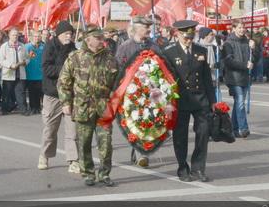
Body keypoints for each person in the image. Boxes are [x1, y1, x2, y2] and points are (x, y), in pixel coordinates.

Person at [58, 25, 119, 187]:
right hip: (83, 107)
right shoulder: (75, 57)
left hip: (103, 107)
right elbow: (64, 81)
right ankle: (88, 173)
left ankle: (104, 174)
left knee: (106, 143)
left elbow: (117, 83)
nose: (101, 41)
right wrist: (66, 102)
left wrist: (116, 101)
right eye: (97, 38)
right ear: (88, 39)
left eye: (102, 38)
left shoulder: (109, 58)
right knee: (84, 143)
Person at [164, 20, 215, 182]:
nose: (188, 40)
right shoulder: (169, 52)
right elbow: (164, 79)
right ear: (178, 34)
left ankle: (198, 168)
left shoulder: (201, 50)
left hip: (200, 99)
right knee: (180, 136)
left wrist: (213, 101)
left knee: (203, 133)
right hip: (180, 100)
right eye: (186, 37)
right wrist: (166, 102)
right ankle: (183, 167)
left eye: (191, 37)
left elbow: (207, 78)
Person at [114, 16, 163, 168]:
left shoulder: (154, 46)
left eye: (149, 27)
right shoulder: (125, 47)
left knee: (147, 121)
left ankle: (141, 152)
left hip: (150, 91)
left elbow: (162, 65)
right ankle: (140, 152)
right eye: (145, 27)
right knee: (135, 120)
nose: (149, 30)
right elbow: (118, 67)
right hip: (131, 92)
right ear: (136, 29)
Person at [39, 21, 79, 173]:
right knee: (50, 129)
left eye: (71, 34)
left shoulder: (73, 49)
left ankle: (73, 160)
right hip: (53, 94)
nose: (69, 36)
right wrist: (66, 69)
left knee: (73, 131)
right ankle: (44, 156)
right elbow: (46, 69)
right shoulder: (50, 46)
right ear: (59, 34)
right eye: (66, 34)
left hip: (70, 95)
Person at [223, 21, 253, 138]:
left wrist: (254, 49)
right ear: (234, 28)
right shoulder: (228, 43)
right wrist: (244, 65)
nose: (242, 30)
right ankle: (243, 128)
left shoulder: (247, 42)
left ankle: (234, 129)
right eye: (239, 27)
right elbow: (228, 61)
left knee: (238, 104)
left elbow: (253, 59)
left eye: (243, 27)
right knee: (240, 102)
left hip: (245, 77)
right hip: (234, 78)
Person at [0, 29, 28, 115]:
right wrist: (10, 65)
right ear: (9, 36)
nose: (15, 36)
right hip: (9, 73)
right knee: (6, 93)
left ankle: (23, 110)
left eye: (16, 35)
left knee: (21, 92)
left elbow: (27, 57)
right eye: (13, 35)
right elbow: (1, 60)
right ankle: (5, 109)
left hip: (20, 73)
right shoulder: (4, 46)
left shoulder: (22, 46)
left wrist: (25, 62)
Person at [24, 30, 47, 115]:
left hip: (41, 74)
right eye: (35, 36)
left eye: (38, 36)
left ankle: (39, 107)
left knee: (40, 92)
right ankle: (33, 107)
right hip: (30, 74)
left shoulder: (43, 47)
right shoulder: (26, 47)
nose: (37, 38)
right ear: (31, 37)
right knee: (32, 92)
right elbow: (24, 58)